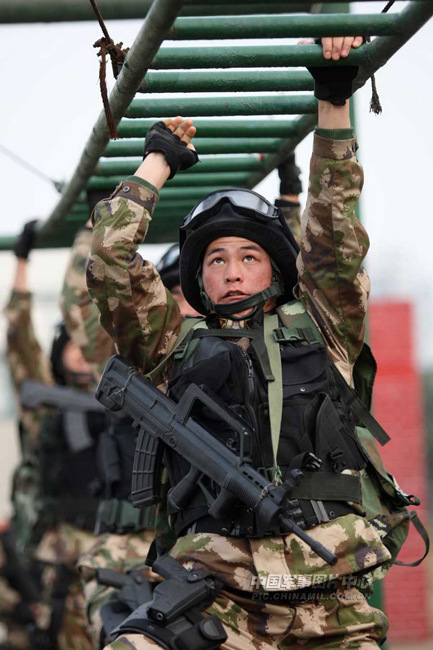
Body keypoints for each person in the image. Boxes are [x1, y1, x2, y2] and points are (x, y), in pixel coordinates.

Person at [85, 36, 411, 649]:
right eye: (216, 260)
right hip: (220, 601)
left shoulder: (323, 325)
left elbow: (335, 237)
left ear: (275, 269)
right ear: (199, 278)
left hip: (330, 600)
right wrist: (156, 163)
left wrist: (333, 100)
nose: (232, 271)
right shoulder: (171, 345)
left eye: (249, 256)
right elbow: (108, 262)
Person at [60, 201, 199, 646]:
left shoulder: (235, 357)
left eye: (191, 296)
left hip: (206, 551)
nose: (183, 308)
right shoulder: (128, 355)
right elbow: (80, 303)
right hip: (129, 548)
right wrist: (91, 231)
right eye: (172, 296)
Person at [3, 220, 104, 650]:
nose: (80, 354)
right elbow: (20, 339)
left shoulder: (127, 397)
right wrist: (21, 264)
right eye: (71, 345)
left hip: (121, 549)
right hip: (63, 555)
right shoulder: (46, 404)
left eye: (88, 346)